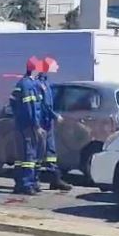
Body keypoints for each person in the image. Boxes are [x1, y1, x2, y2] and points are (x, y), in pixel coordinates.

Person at [36, 57, 73, 192]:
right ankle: (34, 181)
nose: (56, 67)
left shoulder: (46, 82)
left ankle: (55, 179)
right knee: (39, 152)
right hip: (41, 121)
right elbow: (43, 105)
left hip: (47, 122)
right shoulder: (39, 84)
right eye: (54, 65)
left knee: (51, 152)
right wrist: (55, 116)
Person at [9, 57, 44, 195]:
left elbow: (13, 103)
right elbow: (30, 108)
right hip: (28, 125)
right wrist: (36, 125)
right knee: (28, 155)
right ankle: (26, 184)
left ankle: (21, 183)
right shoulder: (27, 85)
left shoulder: (25, 83)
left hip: (23, 123)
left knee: (23, 155)